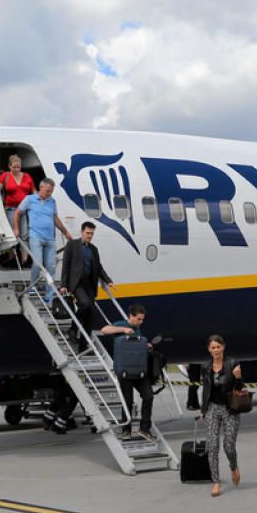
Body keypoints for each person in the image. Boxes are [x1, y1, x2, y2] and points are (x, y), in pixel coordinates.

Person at [199, 335, 245, 498]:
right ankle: (216, 481)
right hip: (212, 408)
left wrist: (238, 377)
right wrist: (203, 410)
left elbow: (240, 389)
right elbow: (205, 389)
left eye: (218, 347)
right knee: (212, 446)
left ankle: (234, 466)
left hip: (230, 408)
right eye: (213, 347)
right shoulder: (205, 367)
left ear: (223, 347)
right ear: (209, 349)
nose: (216, 350)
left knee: (229, 446)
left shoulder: (233, 363)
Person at [100, 304, 153, 441]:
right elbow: (104, 329)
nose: (141, 322)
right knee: (127, 401)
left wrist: (145, 346)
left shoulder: (138, 329)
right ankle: (126, 430)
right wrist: (123, 330)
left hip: (139, 369)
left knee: (148, 396)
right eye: (138, 319)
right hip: (125, 371)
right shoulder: (122, 324)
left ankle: (144, 428)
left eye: (142, 319)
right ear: (131, 316)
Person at [14, 179, 71, 303]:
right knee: (37, 263)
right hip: (36, 237)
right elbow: (17, 213)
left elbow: (55, 218)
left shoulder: (52, 201)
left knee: (51, 267)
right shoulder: (29, 199)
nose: (49, 193)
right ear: (41, 188)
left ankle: (48, 297)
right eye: (48, 191)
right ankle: (32, 287)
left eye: (51, 191)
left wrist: (65, 232)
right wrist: (17, 229)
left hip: (50, 238)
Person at [61, 221, 113, 349]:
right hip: (77, 283)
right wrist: (63, 285)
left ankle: (83, 346)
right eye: (88, 233)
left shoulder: (94, 249)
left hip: (90, 284)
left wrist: (108, 280)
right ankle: (73, 329)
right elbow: (65, 265)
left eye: (92, 234)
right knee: (85, 304)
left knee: (90, 315)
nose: (90, 236)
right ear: (82, 232)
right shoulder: (72, 245)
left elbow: (99, 268)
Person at [0, 154, 34, 227]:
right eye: (14, 167)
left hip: (24, 209)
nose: (16, 169)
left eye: (18, 167)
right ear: (9, 166)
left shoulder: (27, 176)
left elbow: (33, 191)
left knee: (25, 232)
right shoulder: (5, 175)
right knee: (14, 230)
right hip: (11, 209)